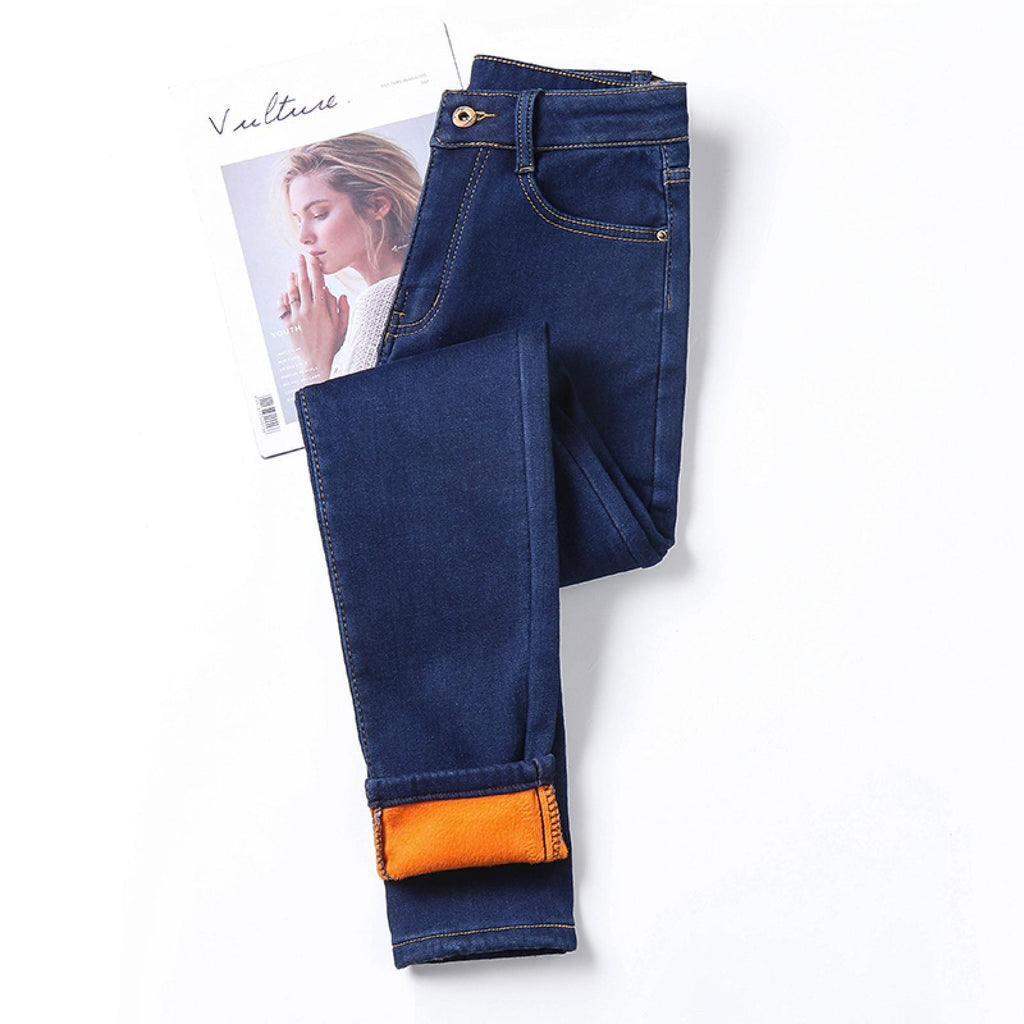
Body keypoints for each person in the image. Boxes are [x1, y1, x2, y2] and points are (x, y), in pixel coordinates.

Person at [278, 133, 422, 381]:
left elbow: (350, 408)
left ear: (377, 205)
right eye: (298, 220)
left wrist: (313, 361)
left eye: (319, 214)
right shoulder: (418, 287)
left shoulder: (379, 303)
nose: (303, 236)